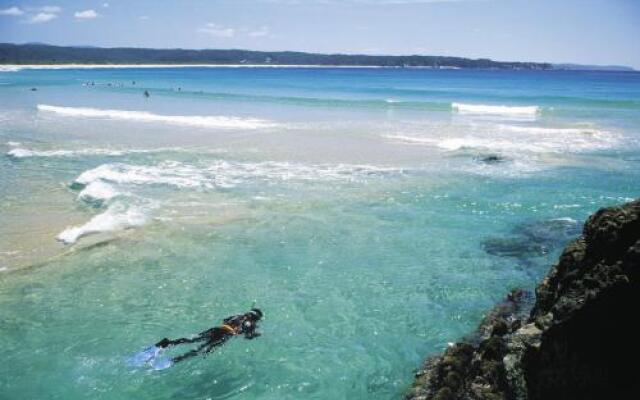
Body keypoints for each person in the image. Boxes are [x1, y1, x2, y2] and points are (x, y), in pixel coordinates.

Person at [154, 308, 263, 363]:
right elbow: (248, 336)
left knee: (192, 339)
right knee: (200, 350)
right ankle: (175, 360)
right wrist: (256, 334)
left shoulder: (238, 315)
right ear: (256, 319)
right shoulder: (251, 324)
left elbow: (225, 320)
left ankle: (167, 343)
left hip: (217, 329)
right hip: (224, 336)